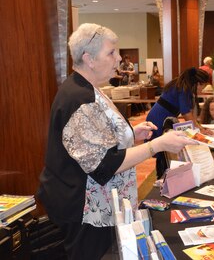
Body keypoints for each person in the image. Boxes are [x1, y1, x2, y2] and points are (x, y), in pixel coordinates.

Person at [37, 23, 197, 260]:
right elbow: (104, 164)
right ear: (89, 59)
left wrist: (131, 133)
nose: (119, 58)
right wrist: (158, 144)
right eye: (111, 53)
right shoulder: (80, 98)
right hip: (84, 209)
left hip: (94, 204)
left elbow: (98, 137)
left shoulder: (88, 88)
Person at [146, 67, 212, 178]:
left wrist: (201, 128)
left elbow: (190, 113)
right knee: (162, 151)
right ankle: (162, 177)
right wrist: (200, 130)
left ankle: (163, 175)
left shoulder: (183, 85)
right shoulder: (184, 88)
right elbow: (186, 113)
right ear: (198, 83)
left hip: (161, 117)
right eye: (202, 87)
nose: (202, 90)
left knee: (163, 150)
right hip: (158, 120)